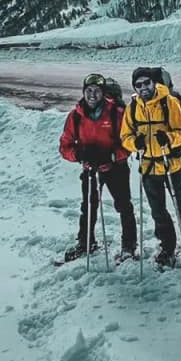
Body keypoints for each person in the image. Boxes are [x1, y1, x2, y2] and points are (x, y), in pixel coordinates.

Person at [121, 67, 181, 267]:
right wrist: (135, 143)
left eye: (146, 83)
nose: (143, 88)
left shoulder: (170, 103)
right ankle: (167, 246)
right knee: (158, 211)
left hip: (171, 166)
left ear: (153, 83)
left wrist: (168, 138)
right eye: (138, 85)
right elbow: (125, 136)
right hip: (149, 168)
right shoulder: (132, 107)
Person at [58, 73, 137, 263]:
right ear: (84, 92)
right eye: (89, 91)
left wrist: (112, 157)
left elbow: (128, 142)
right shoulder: (75, 116)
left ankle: (129, 246)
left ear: (103, 93)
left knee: (124, 205)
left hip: (115, 167)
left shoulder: (116, 113)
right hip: (90, 168)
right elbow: (65, 145)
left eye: (97, 91)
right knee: (89, 206)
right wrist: (79, 156)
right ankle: (86, 243)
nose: (93, 95)